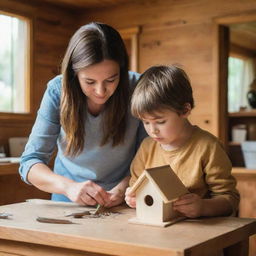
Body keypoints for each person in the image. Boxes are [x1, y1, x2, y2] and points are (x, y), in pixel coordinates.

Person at [19, 22, 146, 207]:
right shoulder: (57, 91)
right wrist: (68, 187)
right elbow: (30, 163)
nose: (101, 91)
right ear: (74, 74)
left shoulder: (139, 87)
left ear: (122, 69)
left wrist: (124, 188)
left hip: (127, 200)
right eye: (90, 81)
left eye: (111, 79)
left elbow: (152, 157)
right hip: (68, 202)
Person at [125, 65, 240, 218]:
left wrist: (203, 207)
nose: (152, 130)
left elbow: (230, 199)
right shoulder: (147, 147)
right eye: (145, 122)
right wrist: (133, 198)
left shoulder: (208, 146)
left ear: (185, 110)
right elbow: (136, 187)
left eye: (160, 121)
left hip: (200, 232)